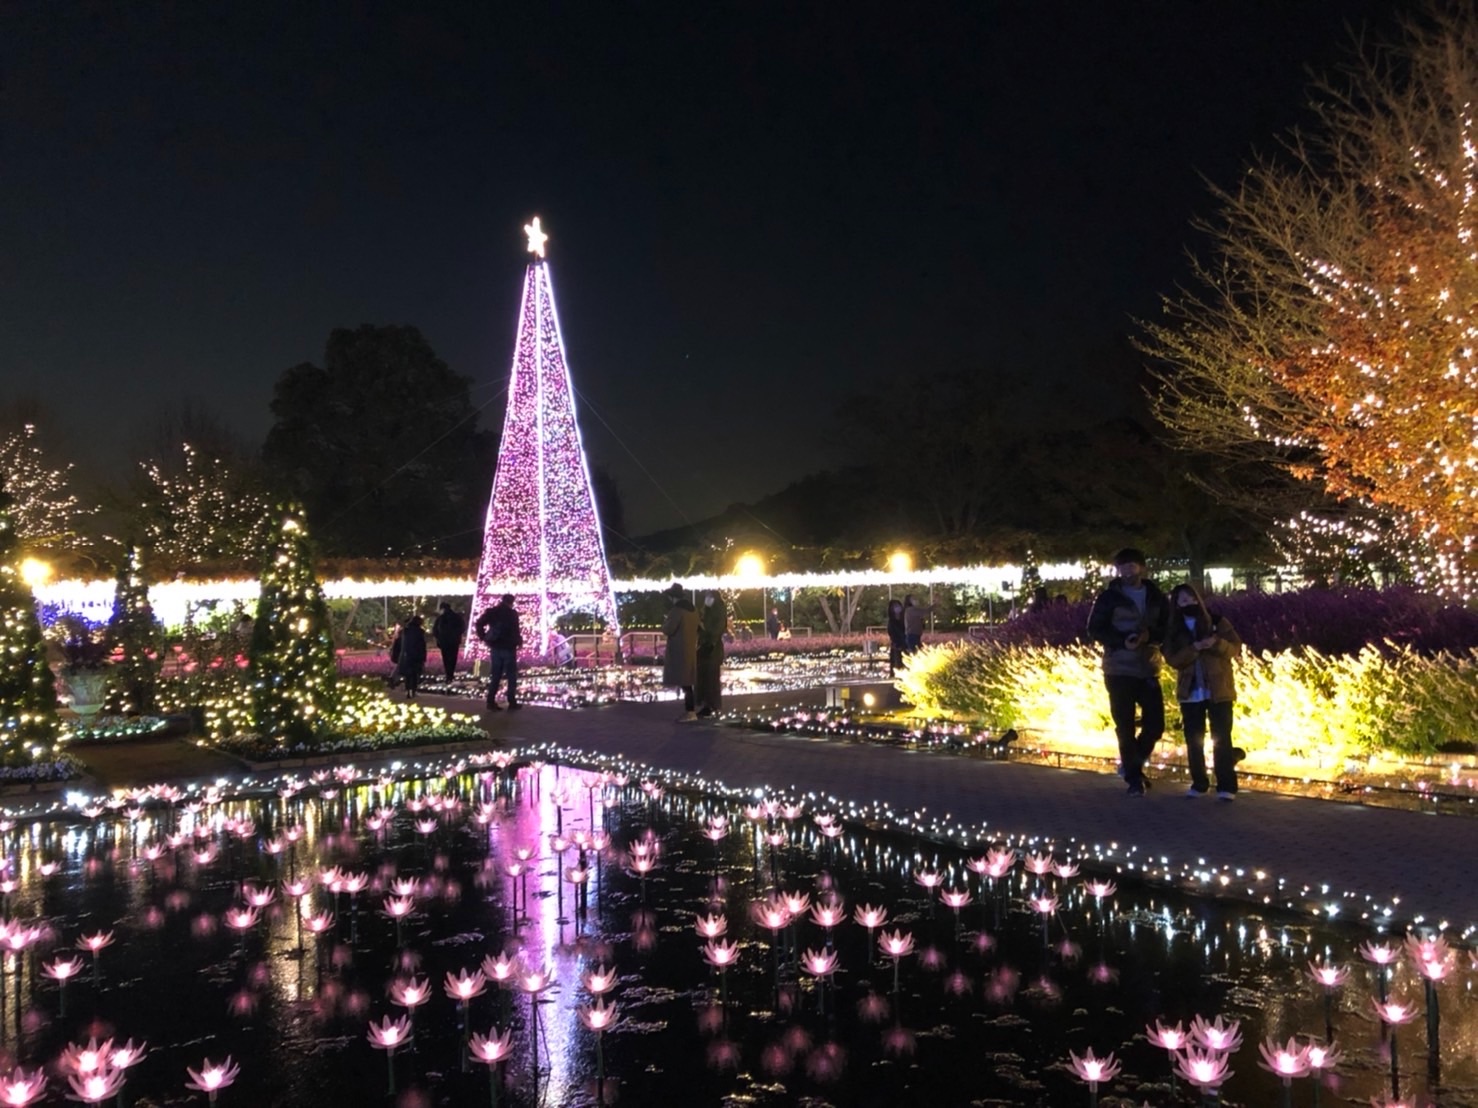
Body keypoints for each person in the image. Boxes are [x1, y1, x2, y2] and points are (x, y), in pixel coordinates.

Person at [1086, 547, 1170, 797]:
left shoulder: (1155, 595)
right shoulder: (1109, 597)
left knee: (1155, 725)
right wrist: (1122, 641)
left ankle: (1131, 765)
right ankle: (1134, 778)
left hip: (1148, 666)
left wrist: (1150, 637)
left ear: (1142, 567)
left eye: (1131, 566)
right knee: (1124, 724)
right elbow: (1094, 628)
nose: (1126, 571)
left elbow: (1167, 626)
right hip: (1119, 667)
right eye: (1122, 567)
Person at [1163, 583, 1243, 800]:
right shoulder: (1173, 629)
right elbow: (1173, 659)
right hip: (1190, 691)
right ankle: (1199, 783)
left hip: (1219, 689)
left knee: (1222, 737)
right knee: (1194, 738)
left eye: (1191, 598)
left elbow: (1235, 648)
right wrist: (1194, 648)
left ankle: (1226, 786)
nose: (1188, 603)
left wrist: (1216, 643)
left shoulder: (1216, 622)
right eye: (1182, 600)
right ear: (1176, 603)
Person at [475, 594, 523, 711]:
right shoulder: (512, 613)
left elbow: (479, 623)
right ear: (511, 602)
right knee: (511, 675)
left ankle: (490, 702)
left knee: (496, 675)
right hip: (508, 647)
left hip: (495, 646)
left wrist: (484, 637)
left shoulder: (492, 611)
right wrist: (519, 642)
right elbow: (516, 630)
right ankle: (511, 701)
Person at [661, 582, 699, 722]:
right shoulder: (693, 610)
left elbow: (668, 629)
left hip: (678, 649)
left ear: (672, 597)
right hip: (690, 648)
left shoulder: (676, 611)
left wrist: (664, 623)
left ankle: (690, 711)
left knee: (685, 682)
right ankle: (690, 711)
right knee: (688, 680)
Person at [695, 591, 727, 717]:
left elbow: (717, 629)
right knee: (703, 676)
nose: (707, 599)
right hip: (704, 647)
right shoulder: (707, 611)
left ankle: (710, 705)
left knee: (710, 678)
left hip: (712, 649)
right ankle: (705, 703)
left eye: (709, 597)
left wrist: (705, 629)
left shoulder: (718, 611)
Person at [395, 615, 428, 700]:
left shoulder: (404, 631)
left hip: (406, 655)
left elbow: (399, 644)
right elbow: (422, 645)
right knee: (415, 674)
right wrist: (423, 657)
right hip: (417, 656)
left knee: (408, 675)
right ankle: (413, 690)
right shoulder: (420, 632)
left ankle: (408, 690)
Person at [430, 602, 465, 680]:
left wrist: (439, 638)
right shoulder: (457, 617)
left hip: (444, 641)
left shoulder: (441, 618)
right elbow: (462, 627)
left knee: (446, 658)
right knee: (453, 658)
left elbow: (435, 630)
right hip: (454, 641)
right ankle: (450, 673)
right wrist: (457, 634)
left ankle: (448, 674)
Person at [886, 598, 906, 675]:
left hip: (906, 647)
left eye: (898, 605)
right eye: (894, 606)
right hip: (897, 648)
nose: (897, 608)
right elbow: (893, 635)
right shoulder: (891, 622)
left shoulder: (904, 620)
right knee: (897, 668)